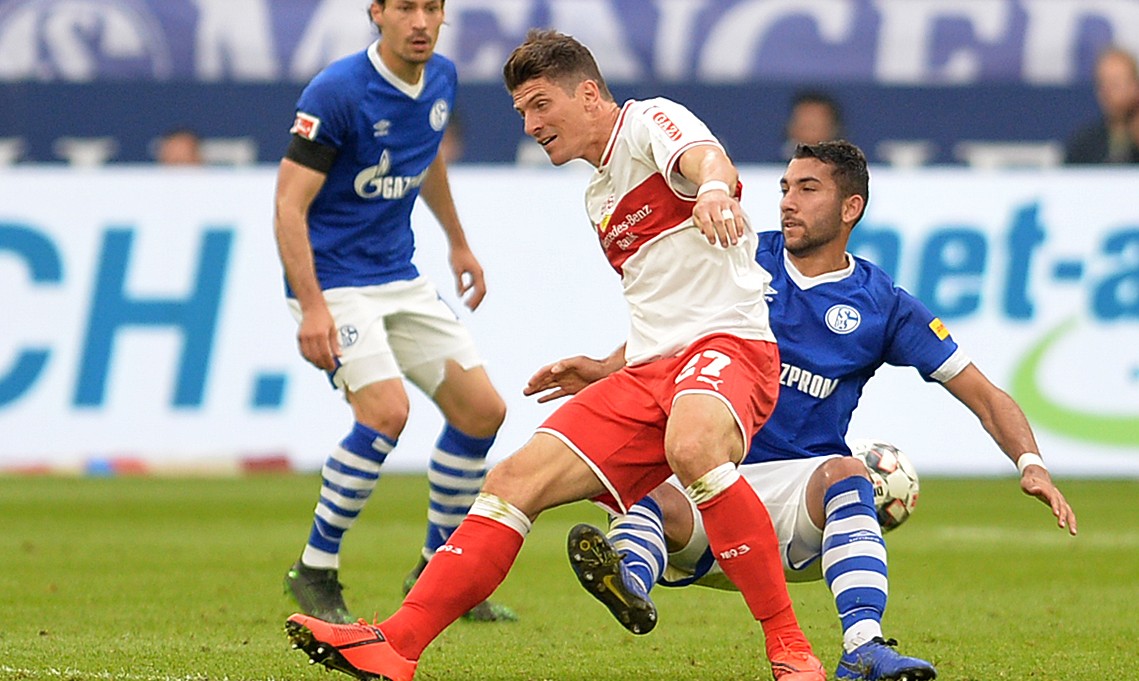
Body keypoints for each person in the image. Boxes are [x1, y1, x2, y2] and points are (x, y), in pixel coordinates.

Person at [284, 28, 827, 681]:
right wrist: (606, 365)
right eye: (521, 112)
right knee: (512, 481)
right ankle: (395, 644)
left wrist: (712, 189)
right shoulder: (598, 196)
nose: (531, 123)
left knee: (692, 445)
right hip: (655, 369)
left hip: (731, 348)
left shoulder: (651, 121)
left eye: (541, 105)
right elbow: (668, 306)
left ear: (589, 93)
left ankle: (790, 648)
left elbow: (707, 161)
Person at [533, 141, 1079, 681]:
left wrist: (1031, 463)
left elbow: (983, 393)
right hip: (704, 486)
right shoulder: (740, 257)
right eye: (785, 188)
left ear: (851, 209)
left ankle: (864, 648)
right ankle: (628, 579)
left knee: (847, 471)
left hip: (791, 505)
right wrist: (606, 368)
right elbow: (670, 332)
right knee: (646, 474)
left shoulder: (882, 303)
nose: (788, 202)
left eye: (807, 189)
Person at [274, 0, 514, 625]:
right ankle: (315, 568)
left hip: (398, 276)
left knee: (484, 410)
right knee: (385, 412)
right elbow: (287, 206)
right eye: (405, 7)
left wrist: (458, 241)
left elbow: (426, 156)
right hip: (335, 283)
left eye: (431, 7)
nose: (420, 22)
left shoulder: (442, 79)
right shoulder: (336, 93)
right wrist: (312, 308)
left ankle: (439, 569)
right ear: (376, 13)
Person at [1064, 46, 1139, 164]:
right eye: (1102, 84)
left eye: (1116, 83)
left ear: (1135, 85)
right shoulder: (1085, 143)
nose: (1107, 91)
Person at [780, 90, 844, 161]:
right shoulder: (771, 166)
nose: (807, 135)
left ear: (833, 129)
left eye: (814, 127)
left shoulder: (848, 168)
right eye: (803, 126)